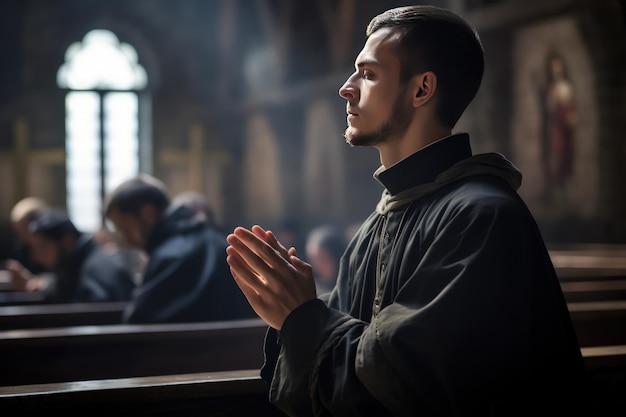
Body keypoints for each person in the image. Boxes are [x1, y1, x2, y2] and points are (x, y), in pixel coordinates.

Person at [225, 5, 591, 416]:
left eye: (369, 74)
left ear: (421, 90)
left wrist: (302, 316)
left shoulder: (481, 217)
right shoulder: (380, 221)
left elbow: (406, 382)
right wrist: (287, 317)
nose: (346, 88)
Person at [104, 174, 256, 324]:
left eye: (127, 230)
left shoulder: (169, 257)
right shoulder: (218, 242)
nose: (128, 242)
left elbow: (137, 322)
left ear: (148, 213)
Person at [27, 207, 135, 303]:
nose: (35, 256)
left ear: (67, 240)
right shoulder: (80, 263)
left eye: (42, 247)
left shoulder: (93, 270)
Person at [304, 224, 346, 295]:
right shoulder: (315, 289)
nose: (317, 266)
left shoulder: (352, 286)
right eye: (313, 259)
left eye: (322, 259)